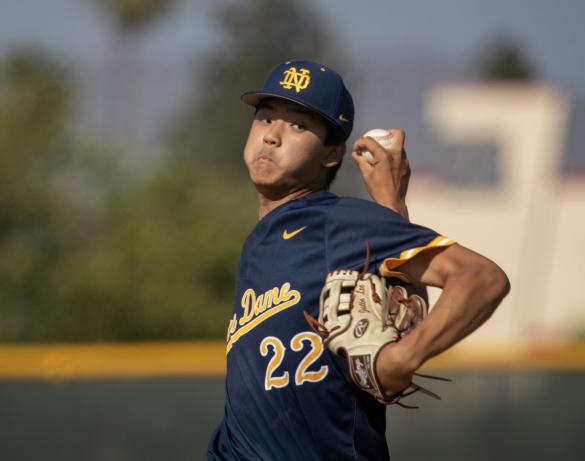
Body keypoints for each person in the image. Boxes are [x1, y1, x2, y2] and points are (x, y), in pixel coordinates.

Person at [207, 60, 509, 461]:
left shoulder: (335, 220)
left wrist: (402, 358)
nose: (273, 136)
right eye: (265, 119)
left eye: (298, 125)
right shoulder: (258, 244)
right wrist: (393, 209)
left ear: (332, 154)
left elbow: (481, 278)